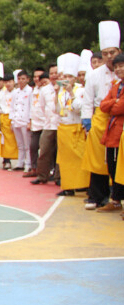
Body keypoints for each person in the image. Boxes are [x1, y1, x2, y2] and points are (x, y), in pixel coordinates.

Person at [82, 21, 121, 210]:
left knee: (117, 160)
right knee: (98, 160)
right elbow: (88, 101)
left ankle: (117, 196)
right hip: (100, 120)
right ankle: (98, 196)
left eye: (112, 53)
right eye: (105, 53)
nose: (108, 57)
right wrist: (87, 123)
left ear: (118, 51)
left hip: (119, 120)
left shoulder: (121, 73)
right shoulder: (94, 75)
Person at [54, 53, 90, 197]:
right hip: (63, 128)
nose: (66, 80)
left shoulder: (80, 90)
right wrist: (55, 95)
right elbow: (57, 110)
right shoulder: (61, 92)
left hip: (75, 127)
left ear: (75, 78)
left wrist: (71, 92)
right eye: (64, 77)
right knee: (65, 160)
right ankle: (68, 186)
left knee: (79, 157)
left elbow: (78, 108)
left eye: (69, 77)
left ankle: (83, 184)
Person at [96, 53, 124, 211]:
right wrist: (115, 101)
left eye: (122, 66)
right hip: (113, 133)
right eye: (117, 66)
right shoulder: (116, 86)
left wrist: (114, 105)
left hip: (121, 132)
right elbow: (103, 105)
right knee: (113, 167)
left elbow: (121, 107)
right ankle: (116, 200)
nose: (119, 69)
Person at [31, 70, 58, 185]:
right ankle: (42, 175)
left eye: (56, 73)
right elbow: (42, 106)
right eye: (51, 73)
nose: (54, 76)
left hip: (62, 124)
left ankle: (58, 177)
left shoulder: (65, 88)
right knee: (44, 150)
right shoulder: (44, 89)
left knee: (60, 153)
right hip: (48, 124)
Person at [10, 70, 32, 173]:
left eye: (23, 79)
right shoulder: (15, 92)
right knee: (19, 144)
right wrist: (11, 120)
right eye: (19, 79)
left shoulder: (30, 91)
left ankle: (28, 163)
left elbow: (31, 107)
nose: (21, 81)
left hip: (25, 119)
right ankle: (20, 162)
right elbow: (12, 106)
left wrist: (30, 121)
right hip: (16, 119)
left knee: (27, 144)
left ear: (27, 79)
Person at [0, 73, 18, 170]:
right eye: (6, 82)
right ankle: (7, 160)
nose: (8, 84)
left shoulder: (17, 93)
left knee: (17, 141)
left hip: (15, 118)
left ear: (13, 82)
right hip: (4, 118)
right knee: (4, 141)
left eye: (9, 82)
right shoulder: (1, 94)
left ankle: (21, 160)